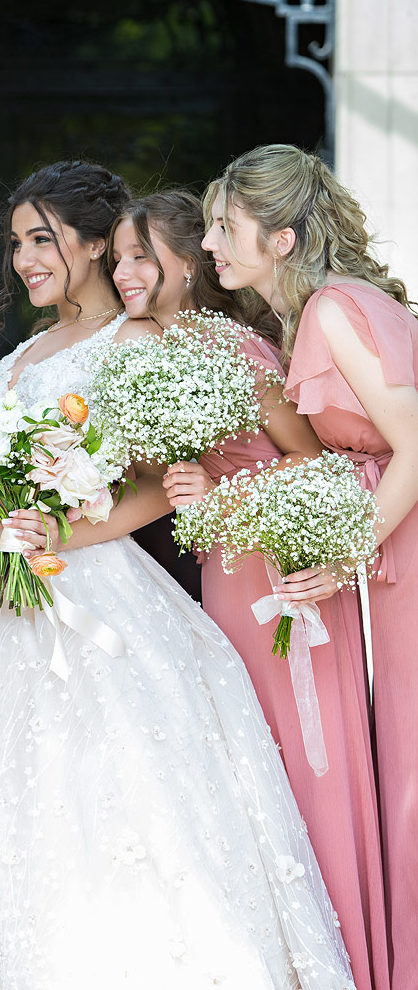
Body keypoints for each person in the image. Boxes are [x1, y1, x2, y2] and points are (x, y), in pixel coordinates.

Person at [0, 160, 356, 990]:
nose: (24, 259)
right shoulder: (20, 349)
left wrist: (60, 530)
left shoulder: (140, 341)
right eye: (15, 243)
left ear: (95, 242)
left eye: (42, 239)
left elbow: (153, 484)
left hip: (81, 581)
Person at [110, 190, 387, 990]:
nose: (124, 271)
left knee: (309, 760)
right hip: (216, 585)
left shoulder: (233, 347)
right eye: (119, 256)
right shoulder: (142, 354)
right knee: (247, 772)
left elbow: (310, 461)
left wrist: (222, 496)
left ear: (188, 262)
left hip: (280, 572)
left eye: (141, 255)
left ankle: (348, 962)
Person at [201, 143, 418, 990]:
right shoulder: (320, 311)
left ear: (282, 237)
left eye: (227, 226)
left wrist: (342, 550)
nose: (212, 244)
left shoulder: (332, 308)